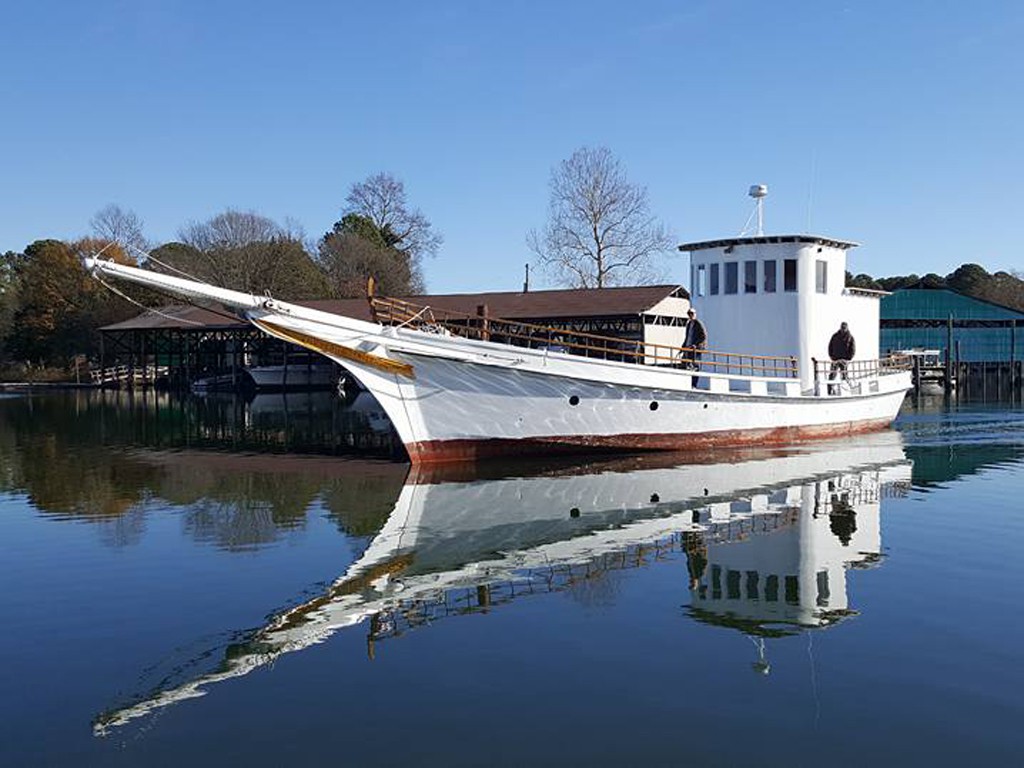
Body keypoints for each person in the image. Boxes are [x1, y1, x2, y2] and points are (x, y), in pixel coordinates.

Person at [828, 321, 856, 393]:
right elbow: (830, 346)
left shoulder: (850, 337)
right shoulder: (835, 336)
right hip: (835, 359)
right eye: (842, 327)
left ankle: (845, 390)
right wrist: (832, 356)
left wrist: (848, 358)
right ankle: (829, 390)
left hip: (844, 360)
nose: (843, 329)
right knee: (832, 375)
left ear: (847, 328)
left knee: (844, 375)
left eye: (844, 328)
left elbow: (852, 349)